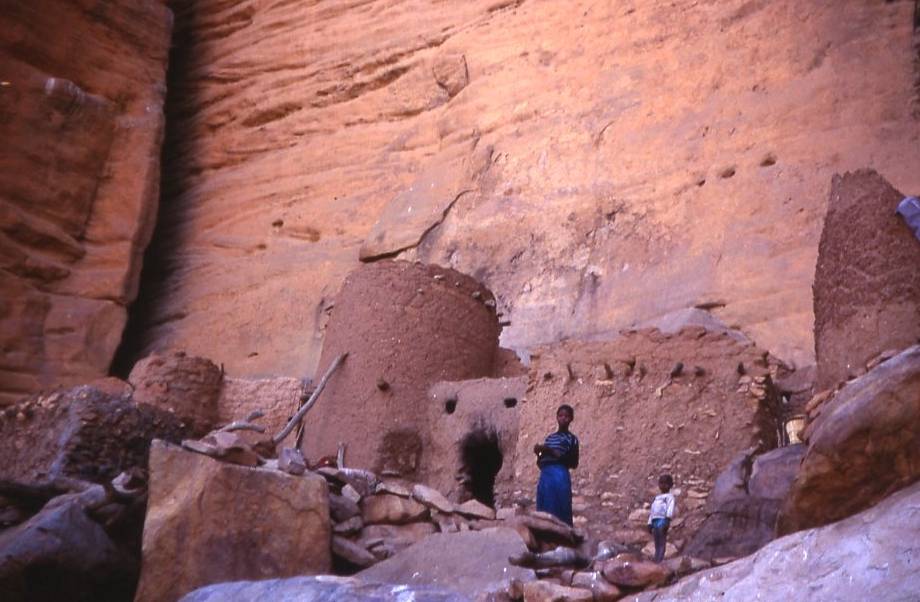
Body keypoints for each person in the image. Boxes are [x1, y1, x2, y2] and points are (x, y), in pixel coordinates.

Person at [533, 404, 579, 525]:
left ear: (571, 419)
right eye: (560, 415)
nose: (563, 418)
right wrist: (539, 453)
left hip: (560, 475)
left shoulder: (572, 439)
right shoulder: (550, 438)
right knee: (545, 509)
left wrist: (551, 451)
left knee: (560, 508)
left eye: (567, 416)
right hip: (545, 475)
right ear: (556, 417)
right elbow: (540, 462)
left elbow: (574, 463)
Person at [647, 474, 676, 562]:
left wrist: (668, 518)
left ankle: (660, 559)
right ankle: (656, 558)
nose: (663, 486)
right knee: (657, 541)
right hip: (655, 520)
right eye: (661, 483)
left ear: (670, 485)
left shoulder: (669, 497)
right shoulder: (657, 498)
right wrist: (649, 523)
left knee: (662, 541)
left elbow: (670, 508)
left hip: (663, 520)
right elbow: (652, 511)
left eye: (665, 483)